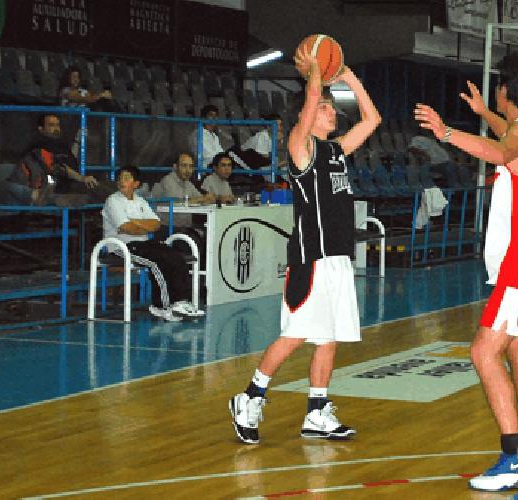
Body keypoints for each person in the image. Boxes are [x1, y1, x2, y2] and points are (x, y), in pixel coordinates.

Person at [414, 51, 518, 492]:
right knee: (516, 345)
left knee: (483, 352)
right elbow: (512, 140)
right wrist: (483, 113)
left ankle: (515, 456)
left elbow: (502, 151)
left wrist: (447, 131)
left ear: (508, 89)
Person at [228, 45, 381, 445]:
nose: (332, 112)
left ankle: (316, 412)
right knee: (296, 334)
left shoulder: (336, 151)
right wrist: (315, 66)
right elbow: (312, 98)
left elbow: (373, 119)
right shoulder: (301, 147)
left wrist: (348, 78)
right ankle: (249, 396)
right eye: (327, 108)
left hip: (338, 260)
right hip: (310, 259)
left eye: (332, 108)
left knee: (328, 338)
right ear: (309, 116)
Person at [101, 165, 206, 321]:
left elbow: (156, 225)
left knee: (174, 255)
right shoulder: (113, 201)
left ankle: (182, 301)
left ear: (136, 184)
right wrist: (140, 225)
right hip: (121, 247)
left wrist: (135, 224)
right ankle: (162, 306)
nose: (121, 181)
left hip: (143, 244)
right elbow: (126, 228)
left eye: (127, 178)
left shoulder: (140, 201)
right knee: (158, 262)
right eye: (120, 178)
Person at [150, 152, 216, 228]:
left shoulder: (188, 183)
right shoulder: (167, 181)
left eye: (191, 166)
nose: (188, 170)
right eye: (184, 166)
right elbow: (177, 203)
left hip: (184, 228)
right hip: (166, 228)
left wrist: (207, 198)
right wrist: (201, 199)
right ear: (175, 167)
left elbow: (201, 199)